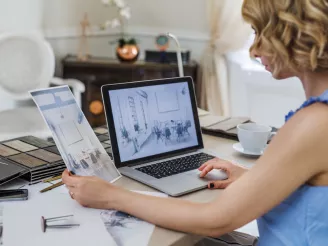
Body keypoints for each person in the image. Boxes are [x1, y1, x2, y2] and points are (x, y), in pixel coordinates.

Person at [62, 0, 328, 245]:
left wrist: (110, 196)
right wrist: (251, 179)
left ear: (294, 35)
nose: (254, 49)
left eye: (260, 33)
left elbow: (215, 220)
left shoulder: (314, 123)